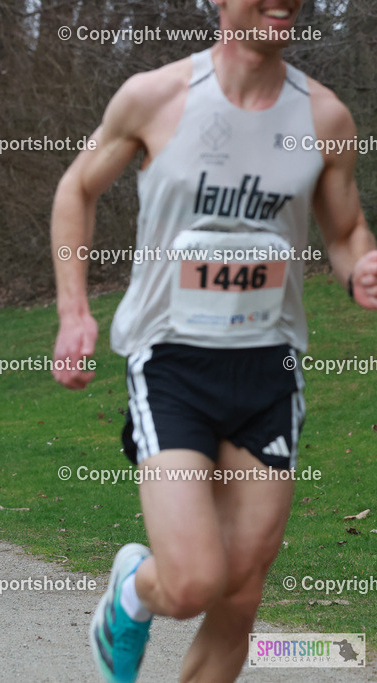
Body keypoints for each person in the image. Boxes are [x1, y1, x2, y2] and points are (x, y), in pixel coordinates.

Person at [50, 1, 377, 680]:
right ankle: (134, 587)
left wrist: (361, 269)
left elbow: (344, 232)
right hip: (172, 361)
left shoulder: (324, 117)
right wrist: (73, 309)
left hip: (269, 367)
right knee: (193, 580)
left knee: (242, 588)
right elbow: (77, 186)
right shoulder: (156, 97)